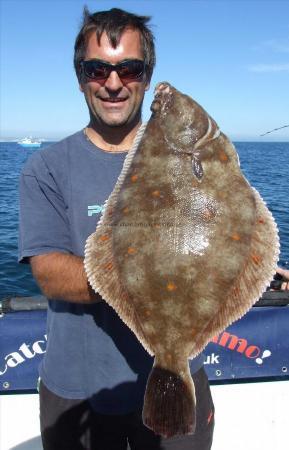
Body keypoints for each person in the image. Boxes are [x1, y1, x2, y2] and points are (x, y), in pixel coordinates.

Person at [18, 7, 214, 450]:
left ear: (146, 76)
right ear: (79, 75)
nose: (112, 82)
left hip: (180, 373)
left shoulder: (191, 161)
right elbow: (49, 271)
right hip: (77, 388)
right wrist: (149, 279)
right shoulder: (45, 169)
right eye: (97, 68)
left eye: (128, 68)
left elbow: (223, 235)